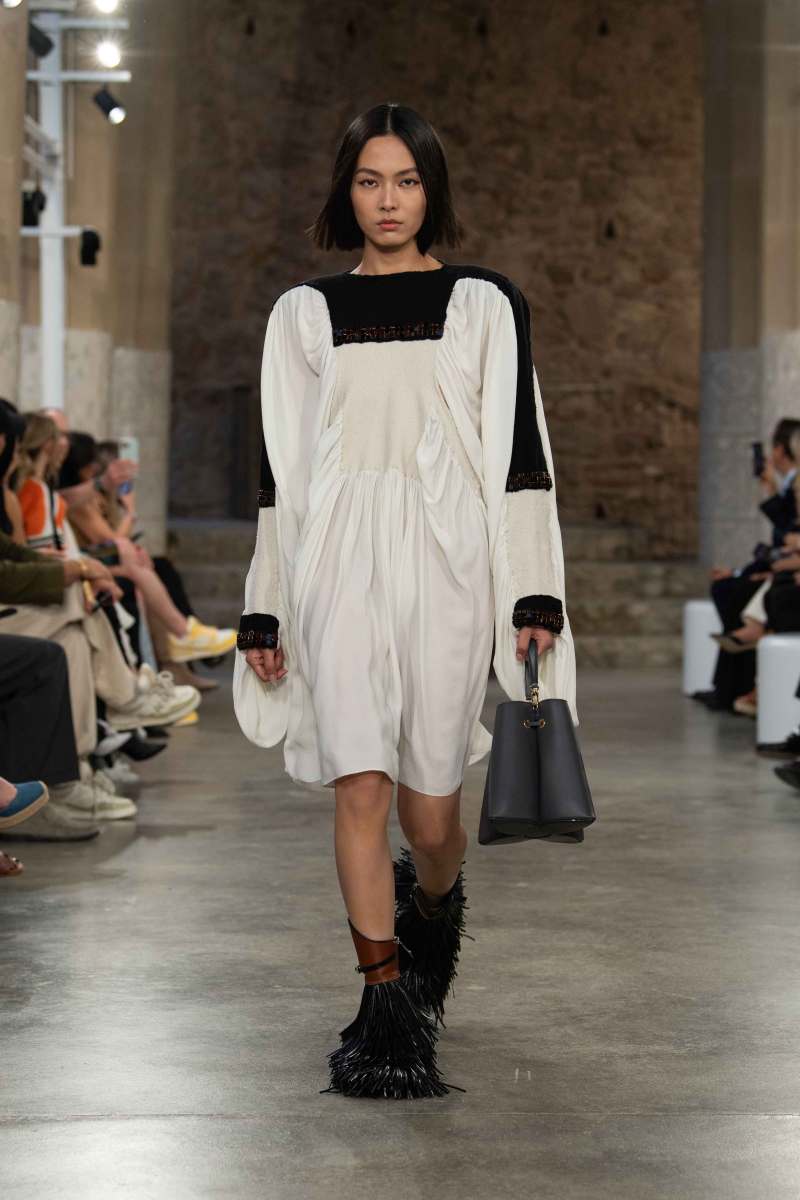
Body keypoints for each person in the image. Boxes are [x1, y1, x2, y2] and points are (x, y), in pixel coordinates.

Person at [233, 104, 576, 1098]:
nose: (389, 200)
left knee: (430, 817)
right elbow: (281, 472)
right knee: (359, 784)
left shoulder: (484, 302)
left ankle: (432, 910)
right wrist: (266, 603)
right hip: (336, 555)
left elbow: (520, 455)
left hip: (448, 558)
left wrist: (533, 589)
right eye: (370, 181)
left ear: (432, 191)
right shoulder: (303, 314)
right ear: (346, 192)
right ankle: (385, 1013)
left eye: (408, 181)